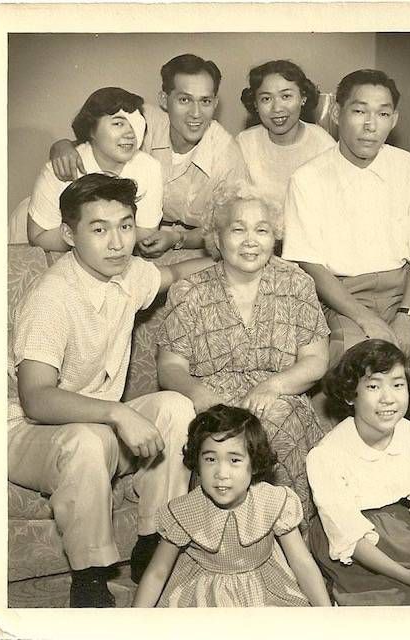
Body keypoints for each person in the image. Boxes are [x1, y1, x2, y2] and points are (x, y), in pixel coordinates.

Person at [8, 173, 214, 607]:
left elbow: (174, 272)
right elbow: (36, 398)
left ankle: (154, 539)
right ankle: (90, 578)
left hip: (99, 426)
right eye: (99, 230)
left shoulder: (129, 273)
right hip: (26, 435)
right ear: (69, 234)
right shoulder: (52, 297)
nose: (117, 242)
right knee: (86, 439)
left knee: (176, 407)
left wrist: (234, 257)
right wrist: (119, 414)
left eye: (125, 225)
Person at [282, 69, 410, 485]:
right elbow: (314, 267)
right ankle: (355, 487)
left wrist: (407, 314)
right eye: (359, 111)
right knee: (353, 364)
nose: (369, 124)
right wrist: (367, 318)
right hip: (345, 295)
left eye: (382, 113)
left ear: (394, 120)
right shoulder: (307, 179)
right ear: (337, 113)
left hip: (409, 289)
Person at [156, 182, 330, 529]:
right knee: (223, 440)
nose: (251, 240)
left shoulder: (296, 284)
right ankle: (219, 544)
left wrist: (273, 386)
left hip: (277, 395)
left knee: (275, 425)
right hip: (212, 401)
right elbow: (170, 367)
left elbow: (316, 360)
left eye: (262, 230)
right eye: (238, 229)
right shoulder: (189, 290)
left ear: (274, 238)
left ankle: (286, 545)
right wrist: (200, 395)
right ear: (217, 239)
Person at [307, 339, 410, 606]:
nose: (388, 398)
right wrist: (409, 577)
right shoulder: (326, 455)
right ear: (349, 395)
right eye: (374, 386)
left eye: (398, 384)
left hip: (404, 522)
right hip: (358, 545)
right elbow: (347, 532)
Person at [133, 404, 332, 607]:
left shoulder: (274, 501)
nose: (221, 473)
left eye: (234, 460)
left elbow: (302, 563)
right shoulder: (183, 511)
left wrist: (327, 615)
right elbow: (158, 572)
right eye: (210, 459)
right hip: (203, 597)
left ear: (254, 464)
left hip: (265, 591)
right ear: (197, 463)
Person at [49, 54, 246, 257]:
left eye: (205, 101)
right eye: (184, 99)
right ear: (164, 100)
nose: (195, 113)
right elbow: (92, 141)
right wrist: (61, 146)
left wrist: (178, 238)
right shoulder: (142, 121)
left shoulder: (228, 156)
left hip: (190, 245)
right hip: (119, 232)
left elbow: (230, 229)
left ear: (215, 103)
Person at [26, 86, 163, 251]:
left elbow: (147, 230)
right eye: (118, 123)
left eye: (136, 124)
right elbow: (38, 236)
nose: (130, 133)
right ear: (91, 129)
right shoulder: (63, 164)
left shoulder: (150, 167)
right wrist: (94, 240)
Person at [238, 59, 335, 208]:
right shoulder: (245, 143)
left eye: (286, 96)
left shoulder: (324, 145)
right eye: (266, 99)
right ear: (256, 104)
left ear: (303, 98)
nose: (277, 108)